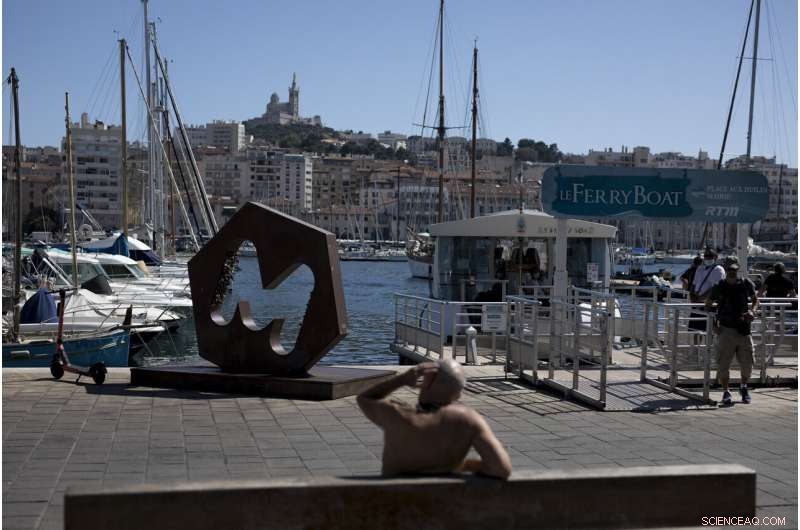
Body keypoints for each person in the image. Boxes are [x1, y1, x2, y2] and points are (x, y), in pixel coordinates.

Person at [357, 360, 512, 479]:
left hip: (396, 508)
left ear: (426, 382)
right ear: (458, 394)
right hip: (443, 511)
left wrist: (402, 380)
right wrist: (466, 465)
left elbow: (364, 398)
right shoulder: (468, 420)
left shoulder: (395, 415)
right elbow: (501, 469)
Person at [705, 262, 758, 405]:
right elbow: (708, 305)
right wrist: (714, 324)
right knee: (723, 363)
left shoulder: (746, 283)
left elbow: (755, 300)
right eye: (729, 270)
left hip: (744, 329)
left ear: (738, 270)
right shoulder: (719, 286)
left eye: (734, 270)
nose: (732, 272)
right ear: (726, 270)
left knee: (747, 363)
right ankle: (726, 391)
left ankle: (744, 387)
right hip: (725, 329)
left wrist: (753, 311)